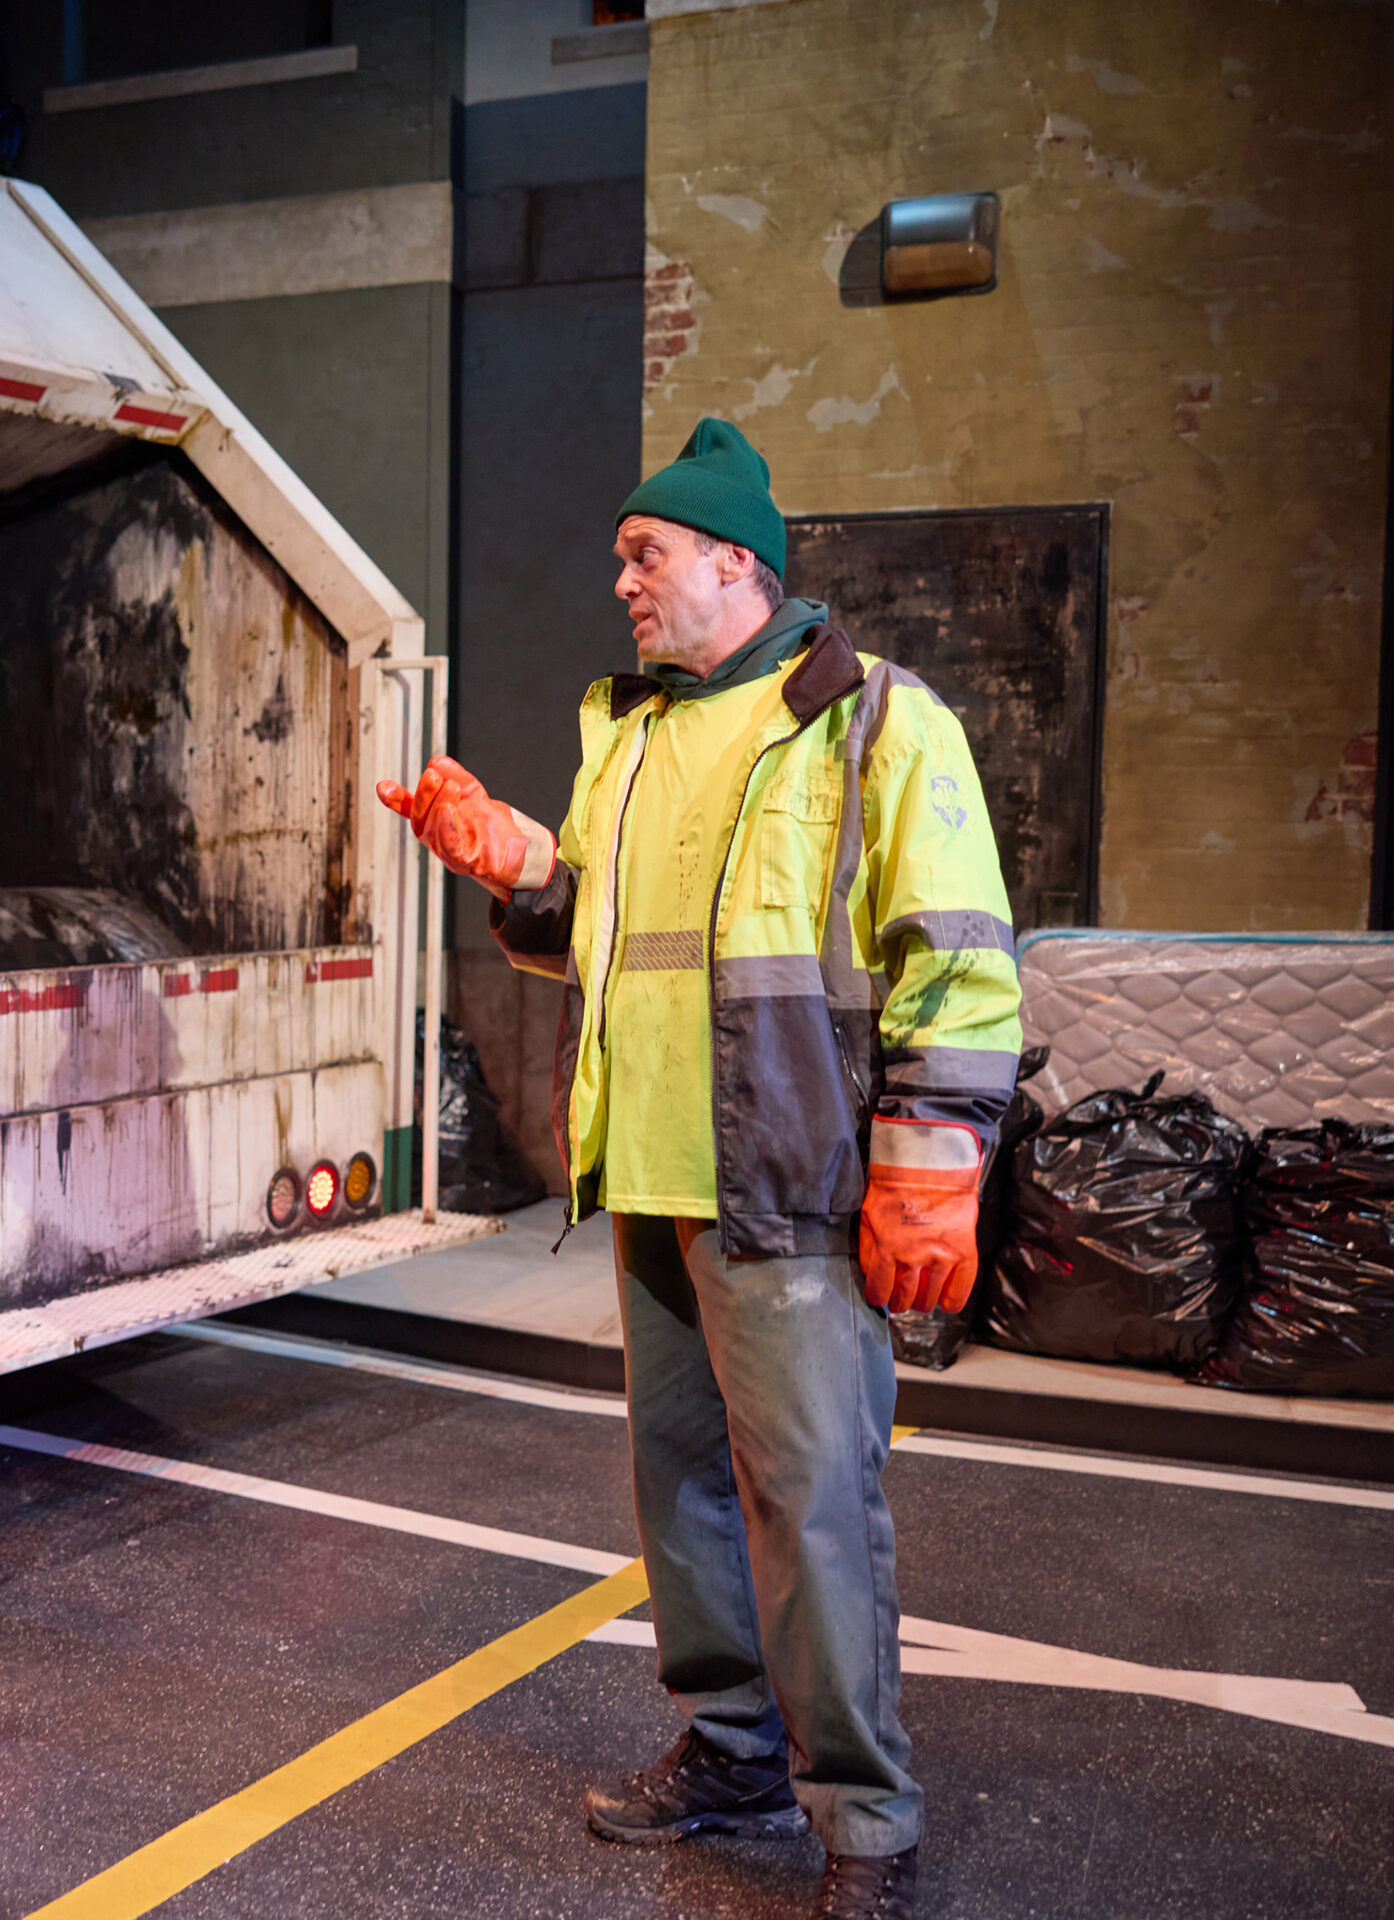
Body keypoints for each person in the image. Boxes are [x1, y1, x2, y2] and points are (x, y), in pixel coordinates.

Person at [378, 420, 1020, 1919]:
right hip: (651, 1176)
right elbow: (590, 936)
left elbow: (963, 958)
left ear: (734, 560)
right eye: (621, 558)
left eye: (643, 554)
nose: (622, 584)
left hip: (790, 1182)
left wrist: (932, 1168)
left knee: (813, 1499)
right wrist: (514, 869)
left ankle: (864, 1824)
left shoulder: (871, 721)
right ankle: (733, 1744)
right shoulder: (637, 730)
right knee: (682, 1490)